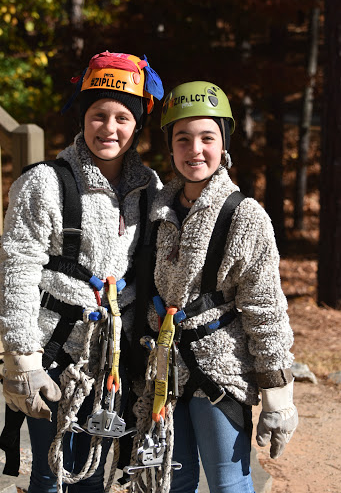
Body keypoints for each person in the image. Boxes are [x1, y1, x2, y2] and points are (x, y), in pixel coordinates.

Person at [0, 50, 164, 493]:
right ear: (82, 117)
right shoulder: (44, 184)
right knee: (52, 474)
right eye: (98, 115)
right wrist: (23, 361)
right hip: (53, 351)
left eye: (122, 118)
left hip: (113, 359)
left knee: (92, 474)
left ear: (137, 125)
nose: (109, 128)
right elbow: (16, 269)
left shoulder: (150, 190)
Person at [129, 81, 298, 493]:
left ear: (224, 144)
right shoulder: (156, 211)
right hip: (165, 372)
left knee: (227, 481)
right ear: (170, 148)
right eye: (182, 139)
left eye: (207, 137)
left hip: (220, 370)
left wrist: (278, 392)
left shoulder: (246, 217)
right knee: (171, 478)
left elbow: (265, 308)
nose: (195, 150)